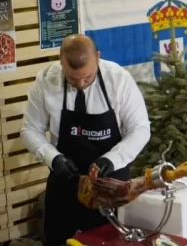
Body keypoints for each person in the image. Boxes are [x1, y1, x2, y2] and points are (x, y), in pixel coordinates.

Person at [20, 34, 151, 246]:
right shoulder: (45, 81)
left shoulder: (118, 79)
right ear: (60, 59)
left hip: (110, 186)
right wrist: (53, 158)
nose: (80, 83)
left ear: (98, 57)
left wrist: (111, 159)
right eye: (72, 79)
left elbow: (140, 129)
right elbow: (30, 130)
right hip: (64, 184)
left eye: (88, 78)